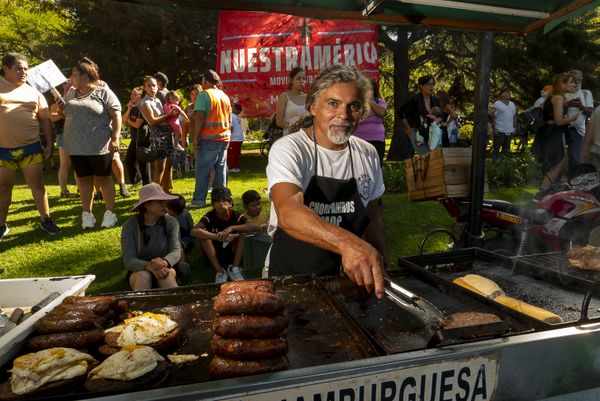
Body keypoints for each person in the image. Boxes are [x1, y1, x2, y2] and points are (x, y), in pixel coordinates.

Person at [266, 64, 388, 298]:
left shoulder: (368, 154)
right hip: (293, 281)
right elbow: (289, 211)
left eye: (353, 106)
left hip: (348, 283)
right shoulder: (290, 149)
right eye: (333, 104)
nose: (343, 115)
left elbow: (372, 216)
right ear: (312, 107)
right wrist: (348, 244)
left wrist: (384, 263)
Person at [0, 52, 61, 239]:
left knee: (37, 185)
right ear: (6, 69)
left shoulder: (34, 92)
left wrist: (50, 144)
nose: (24, 72)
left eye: (25, 68)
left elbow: (45, 120)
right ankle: (1, 225)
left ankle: (46, 220)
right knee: (3, 188)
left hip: (31, 147)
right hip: (3, 150)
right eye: (19, 68)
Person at [60, 57, 121, 230]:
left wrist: (115, 137)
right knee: (83, 180)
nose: (71, 78)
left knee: (104, 179)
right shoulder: (71, 93)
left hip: (99, 146)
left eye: (74, 74)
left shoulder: (103, 92)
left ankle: (110, 213)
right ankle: (87, 215)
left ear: (86, 77)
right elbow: (67, 114)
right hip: (75, 146)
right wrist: (59, 108)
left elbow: (116, 115)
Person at [121, 183, 182, 290]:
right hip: (139, 270)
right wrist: (149, 266)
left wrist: (164, 262)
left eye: (165, 201)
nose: (164, 205)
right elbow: (129, 260)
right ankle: (141, 306)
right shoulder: (130, 226)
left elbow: (176, 251)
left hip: (166, 266)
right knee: (144, 276)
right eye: (160, 202)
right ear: (147, 205)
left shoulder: (171, 222)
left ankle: (177, 306)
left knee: (165, 276)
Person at [191, 186, 257, 283]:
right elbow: (194, 231)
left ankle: (234, 268)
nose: (221, 203)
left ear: (230, 203)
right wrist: (217, 237)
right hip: (214, 253)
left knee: (243, 232)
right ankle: (220, 272)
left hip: (232, 252)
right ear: (213, 204)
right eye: (216, 201)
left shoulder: (235, 215)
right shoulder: (209, 216)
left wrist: (231, 228)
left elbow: (254, 226)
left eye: (224, 200)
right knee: (203, 237)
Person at [532, 73, 580, 201]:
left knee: (555, 164)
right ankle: (541, 194)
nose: (574, 84)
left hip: (549, 133)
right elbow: (558, 121)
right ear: (562, 84)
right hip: (553, 133)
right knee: (557, 165)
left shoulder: (553, 96)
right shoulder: (558, 98)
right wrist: (572, 118)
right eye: (571, 82)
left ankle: (543, 193)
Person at [191, 70, 231, 208]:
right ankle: (221, 200)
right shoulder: (224, 95)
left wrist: (195, 138)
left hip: (209, 138)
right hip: (224, 137)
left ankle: (198, 200)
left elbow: (200, 117)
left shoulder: (204, 95)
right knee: (220, 170)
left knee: (203, 170)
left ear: (206, 81)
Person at [139, 75, 179, 193]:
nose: (152, 88)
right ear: (144, 88)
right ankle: (157, 194)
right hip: (157, 135)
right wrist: (169, 115)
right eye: (149, 86)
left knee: (169, 164)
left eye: (154, 85)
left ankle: (166, 192)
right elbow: (152, 121)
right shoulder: (145, 101)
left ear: (158, 87)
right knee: (159, 167)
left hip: (167, 133)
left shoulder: (157, 100)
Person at [398, 75, 440, 154]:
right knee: (426, 156)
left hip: (432, 133)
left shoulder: (435, 100)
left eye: (432, 84)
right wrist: (408, 127)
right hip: (417, 133)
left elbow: (441, 116)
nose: (431, 86)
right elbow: (400, 111)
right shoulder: (415, 100)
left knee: (434, 157)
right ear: (421, 86)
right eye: (428, 84)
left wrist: (438, 120)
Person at [565, 69, 594, 179]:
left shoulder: (586, 93)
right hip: (561, 128)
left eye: (579, 79)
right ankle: (554, 187)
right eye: (574, 80)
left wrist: (580, 106)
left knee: (575, 158)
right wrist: (567, 104)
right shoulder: (564, 92)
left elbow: (590, 112)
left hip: (576, 130)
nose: (577, 82)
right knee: (559, 158)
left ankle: (573, 184)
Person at [353, 78, 386, 166]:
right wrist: (373, 112)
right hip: (359, 139)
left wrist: (370, 101)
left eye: (369, 88)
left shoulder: (380, 101)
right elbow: (357, 118)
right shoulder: (355, 103)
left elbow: (381, 112)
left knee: (377, 165)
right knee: (360, 166)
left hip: (377, 139)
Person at [123, 86, 150, 186]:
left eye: (134, 94)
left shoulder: (142, 108)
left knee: (143, 164)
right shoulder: (133, 108)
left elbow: (137, 125)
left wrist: (128, 121)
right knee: (129, 160)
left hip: (143, 140)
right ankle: (137, 180)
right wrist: (129, 108)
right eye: (131, 94)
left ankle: (146, 185)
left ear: (140, 96)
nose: (131, 96)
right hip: (134, 140)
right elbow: (123, 119)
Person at [275, 67, 309, 135]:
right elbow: (279, 122)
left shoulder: (308, 97)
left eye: (304, 79)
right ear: (291, 80)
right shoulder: (284, 96)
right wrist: (293, 126)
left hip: (306, 137)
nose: (301, 81)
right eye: (298, 78)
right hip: (289, 138)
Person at [491, 88, 517, 162]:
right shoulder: (497, 104)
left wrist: (515, 127)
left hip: (509, 131)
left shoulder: (512, 104)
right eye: (507, 93)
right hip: (499, 131)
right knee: (496, 149)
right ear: (502, 94)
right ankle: (494, 165)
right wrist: (494, 129)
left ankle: (504, 166)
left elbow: (514, 116)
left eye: (509, 93)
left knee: (506, 150)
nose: (509, 94)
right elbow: (493, 117)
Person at [582, 105, 600, 171]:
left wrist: (586, 150)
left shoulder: (597, 109)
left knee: (597, 176)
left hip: (596, 149)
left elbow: (590, 132)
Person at [227, 103, 244, 173]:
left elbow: (231, 128)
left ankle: (233, 167)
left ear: (236, 110)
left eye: (233, 107)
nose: (231, 108)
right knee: (236, 154)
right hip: (239, 138)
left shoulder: (231, 116)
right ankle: (236, 167)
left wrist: (228, 136)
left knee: (231, 154)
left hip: (234, 138)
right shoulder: (237, 117)